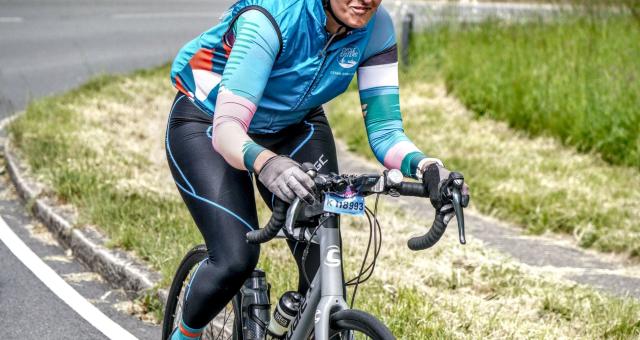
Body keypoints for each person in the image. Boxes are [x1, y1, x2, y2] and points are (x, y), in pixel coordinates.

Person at [165, 0, 470, 338]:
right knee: (235, 259)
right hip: (210, 120)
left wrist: (428, 167)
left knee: (323, 269)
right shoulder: (268, 21)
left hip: (293, 126)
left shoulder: (377, 27)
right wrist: (267, 164)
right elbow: (228, 131)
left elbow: (385, 130)